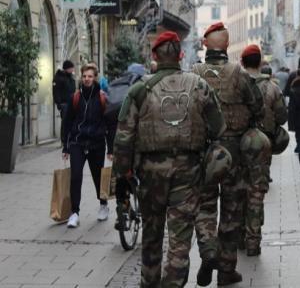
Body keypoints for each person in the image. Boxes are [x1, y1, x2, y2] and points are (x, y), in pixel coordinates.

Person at [112, 31, 225, 287]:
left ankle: (149, 283)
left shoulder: (140, 90)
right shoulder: (199, 85)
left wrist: (123, 174)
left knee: (151, 235)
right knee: (180, 239)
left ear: (154, 56)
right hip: (188, 171)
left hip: (150, 173)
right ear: (181, 55)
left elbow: (123, 136)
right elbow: (219, 128)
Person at [192, 22, 263, 287]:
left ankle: (208, 250)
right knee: (232, 211)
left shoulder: (194, 73)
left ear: (204, 44)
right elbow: (257, 106)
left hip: (204, 151)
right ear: (228, 44)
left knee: (205, 205)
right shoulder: (238, 73)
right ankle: (226, 270)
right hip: (234, 152)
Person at [239, 44, 287, 255]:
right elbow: (283, 117)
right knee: (257, 193)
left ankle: (238, 237)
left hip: (238, 145)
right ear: (259, 62)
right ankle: (253, 240)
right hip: (262, 147)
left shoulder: (235, 85)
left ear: (242, 62)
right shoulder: (272, 88)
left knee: (237, 191)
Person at [62, 63, 115, 228]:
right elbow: (67, 122)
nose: (87, 79)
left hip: (96, 143)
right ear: (81, 77)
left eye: (90, 76)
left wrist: (110, 148)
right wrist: (65, 145)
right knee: (76, 177)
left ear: (95, 78)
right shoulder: (75, 97)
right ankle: (75, 213)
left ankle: (103, 205)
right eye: (84, 76)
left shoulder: (102, 98)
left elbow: (110, 124)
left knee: (98, 177)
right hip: (77, 142)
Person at [53, 60, 76, 148]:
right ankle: (64, 140)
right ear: (67, 68)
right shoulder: (59, 78)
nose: (73, 69)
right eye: (71, 68)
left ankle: (70, 139)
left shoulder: (71, 78)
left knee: (71, 121)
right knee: (65, 122)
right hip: (64, 104)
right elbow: (56, 92)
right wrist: (59, 103)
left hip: (71, 103)